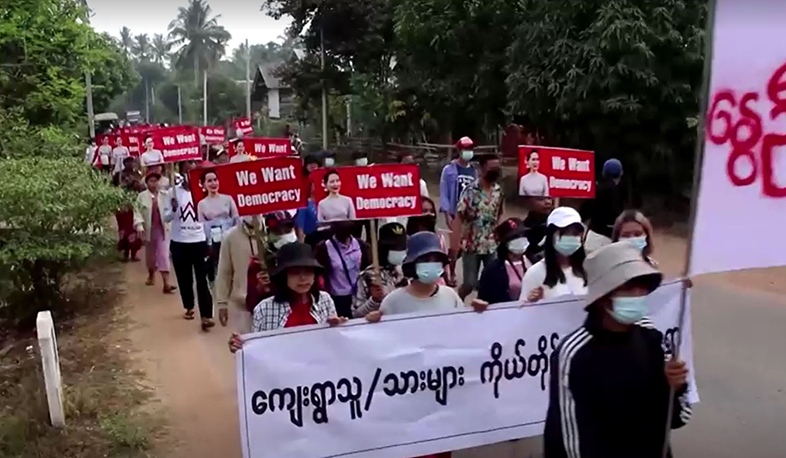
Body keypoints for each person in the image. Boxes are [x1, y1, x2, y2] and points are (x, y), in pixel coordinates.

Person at [544, 242, 692, 458]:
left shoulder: (652, 338)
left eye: (643, 285)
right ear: (603, 297)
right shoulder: (574, 354)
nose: (640, 293)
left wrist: (675, 388)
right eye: (630, 286)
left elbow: (679, 417)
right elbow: (571, 442)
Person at [229, 242, 346, 352]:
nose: (303, 278)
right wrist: (240, 346)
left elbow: (334, 347)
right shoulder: (264, 309)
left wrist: (338, 328)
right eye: (295, 272)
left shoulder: (325, 301)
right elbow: (257, 350)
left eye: (308, 271)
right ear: (284, 276)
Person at [365, 231, 473, 323]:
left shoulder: (450, 296)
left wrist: (479, 313)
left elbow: (464, 326)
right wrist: (371, 322)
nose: (432, 264)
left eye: (436, 260)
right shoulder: (393, 301)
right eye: (426, 260)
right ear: (412, 264)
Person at [166, 160, 214, 331]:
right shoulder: (173, 193)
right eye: (186, 171)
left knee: (203, 280)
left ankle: (207, 316)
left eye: (192, 172)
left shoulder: (203, 193)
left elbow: (210, 219)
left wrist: (209, 241)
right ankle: (189, 306)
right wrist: (172, 209)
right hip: (179, 243)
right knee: (184, 278)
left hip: (199, 242)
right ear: (181, 173)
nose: (189, 175)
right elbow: (166, 218)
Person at [451, 153, 505, 299]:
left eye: (497, 167)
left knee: (491, 281)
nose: (495, 170)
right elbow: (458, 217)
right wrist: (455, 244)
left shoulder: (498, 191)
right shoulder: (471, 191)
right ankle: (458, 301)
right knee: (469, 283)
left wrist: (501, 237)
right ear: (481, 169)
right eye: (491, 167)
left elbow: (499, 213)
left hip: (491, 244)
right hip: (472, 244)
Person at [519, 206, 588, 303]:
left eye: (575, 234)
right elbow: (523, 312)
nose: (571, 238)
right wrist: (531, 302)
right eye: (565, 233)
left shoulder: (589, 269)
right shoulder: (535, 273)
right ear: (551, 236)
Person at [315, 221, 371, 318]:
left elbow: (367, 268)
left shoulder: (361, 245)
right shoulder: (324, 248)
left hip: (359, 295)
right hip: (338, 298)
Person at [216, 215, 261, 333]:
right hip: (242, 305)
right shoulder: (230, 237)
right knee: (245, 345)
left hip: (269, 302)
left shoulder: (272, 232)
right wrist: (222, 303)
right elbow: (224, 272)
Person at [352, 222, 408, 318]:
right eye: (394, 248)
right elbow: (356, 314)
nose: (399, 251)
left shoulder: (410, 272)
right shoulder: (368, 276)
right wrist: (374, 300)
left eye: (401, 248)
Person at [473, 218, 532, 306]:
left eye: (522, 235)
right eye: (515, 237)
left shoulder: (534, 261)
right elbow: (484, 299)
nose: (520, 239)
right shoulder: (493, 270)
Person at [134, 170, 176, 293]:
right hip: (149, 230)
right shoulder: (142, 197)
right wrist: (139, 225)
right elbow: (137, 212)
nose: (154, 183)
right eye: (151, 181)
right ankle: (151, 273)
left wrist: (173, 208)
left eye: (156, 181)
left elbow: (170, 212)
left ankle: (166, 283)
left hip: (163, 229)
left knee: (163, 255)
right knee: (151, 257)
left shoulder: (165, 195)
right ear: (147, 183)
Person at [197, 168, 240, 282]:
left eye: (215, 180)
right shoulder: (202, 204)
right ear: (204, 184)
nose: (213, 183)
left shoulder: (228, 199)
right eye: (209, 181)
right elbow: (202, 226)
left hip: (230, 238)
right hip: (213, 243)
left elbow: (236, 218)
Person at [581, 158, 625, 253]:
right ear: (620, 174)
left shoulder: (595, 188)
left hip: (594, 238)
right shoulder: (616, 191)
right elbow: (616, 215)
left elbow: (584, 212)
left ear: (603, 173)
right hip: (610, 239)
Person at [439, 136, 477, 230]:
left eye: (470, 149)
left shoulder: (474, 171)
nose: (469, 152)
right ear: (459, 151)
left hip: (470, 215)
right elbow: (444, 193)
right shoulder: (449, 170)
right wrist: (447, 215)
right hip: (455, 214)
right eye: (466, 149)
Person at [115, 158, 144, 262]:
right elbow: (114, 189)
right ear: (124, 163)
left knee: (135, 230)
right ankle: (125, 253)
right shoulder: (118, 175)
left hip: (135, 205)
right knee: (124, 230)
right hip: (123, 205)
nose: (130, 164)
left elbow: (143, 188)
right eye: (128, 162)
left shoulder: (138, 174)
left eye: (132, 162)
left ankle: (134, 254)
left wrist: (138, 185)